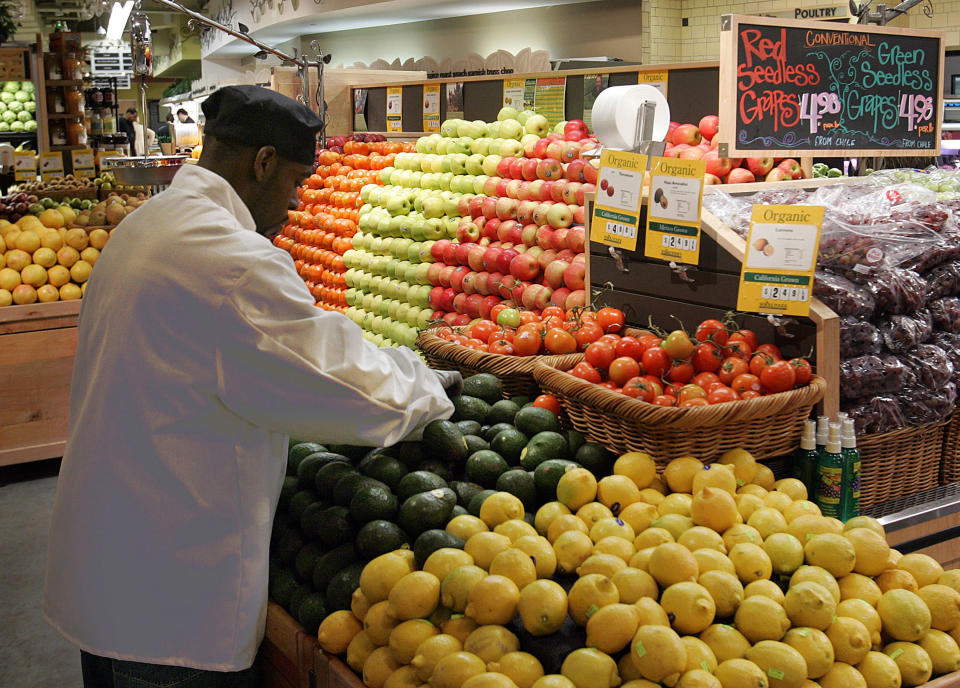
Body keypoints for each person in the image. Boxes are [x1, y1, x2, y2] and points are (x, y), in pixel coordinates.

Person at [44, 85, 458, 688]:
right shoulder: (233, 261)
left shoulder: (150, 222)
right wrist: (430, 386)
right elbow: (345, 389)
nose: (295, 202)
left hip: (110, 570)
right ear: (262, 161)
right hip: (173, 603)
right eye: (293, 180)